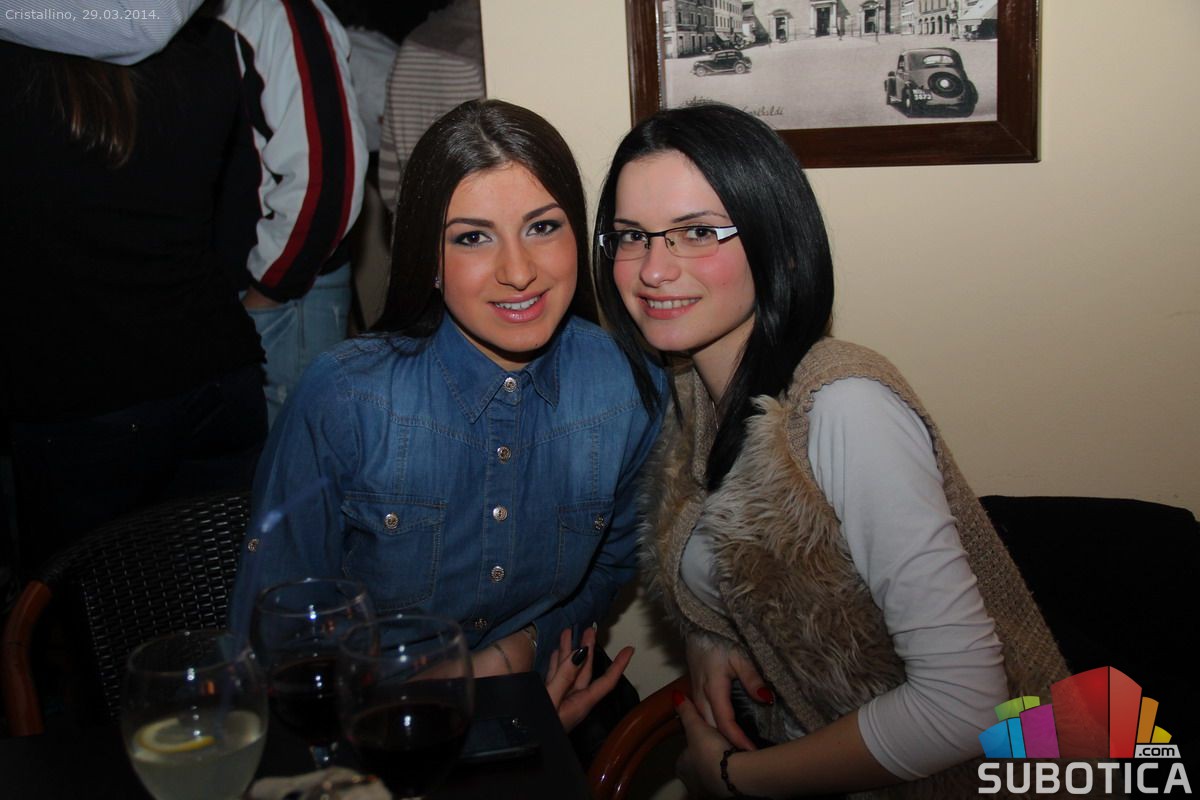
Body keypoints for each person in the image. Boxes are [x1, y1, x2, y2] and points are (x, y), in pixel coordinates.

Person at [591, 104, 1068, 798]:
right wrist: (711, 634)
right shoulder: (691, 392)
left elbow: (965, 707)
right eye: (633, 236)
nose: (654, 269)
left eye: (698, 233)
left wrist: (734, 777)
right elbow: (739, 555)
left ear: (778, 244)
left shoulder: (844, 408)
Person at [230, 99, 664, 729]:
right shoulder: (346, 399)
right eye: (472, 237)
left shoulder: (629, 389)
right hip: (374, 725)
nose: (518, 272)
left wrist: (519, 652)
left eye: (543, 227)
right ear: (429, 260)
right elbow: (278, 629)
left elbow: (611, 566)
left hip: (544, 697)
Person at [1, 8, 267, 572]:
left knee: (89, 614)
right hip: (213, 374)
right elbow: (238, 214)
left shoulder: (18, 57)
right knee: (217, 602)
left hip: (78, 399)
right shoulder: (212, 43)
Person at [214, 0, 367, 428]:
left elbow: (327, 175)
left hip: (284, 291)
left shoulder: (279, 12)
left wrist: (269, 290)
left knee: (291, 453)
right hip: (238, 286)